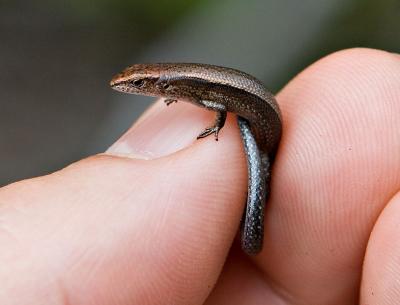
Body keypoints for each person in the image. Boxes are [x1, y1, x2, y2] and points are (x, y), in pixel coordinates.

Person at [1, 48, 399, 304]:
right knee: (251, 224)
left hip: (263, 117)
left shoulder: (189, 87)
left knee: (257, 173)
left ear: (162, 83)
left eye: (139, 85)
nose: (132, 88)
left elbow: (218, 105)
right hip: (253, 115)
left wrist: (215, 127)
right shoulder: (179, 86)